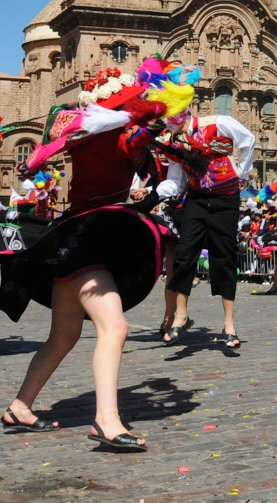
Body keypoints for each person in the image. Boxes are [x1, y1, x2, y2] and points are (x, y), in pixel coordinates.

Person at [1, 65, 188, 451]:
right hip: (89, 241)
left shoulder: (86, 137)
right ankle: (105, 421)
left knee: (63, 336)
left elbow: (140, 154)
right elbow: (138, 147)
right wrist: (161, 114)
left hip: (74, 239)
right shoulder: (115, 138)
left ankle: (20, 406)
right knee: (114, 327)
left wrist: (155, 119)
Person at [156, 104, 254, 349]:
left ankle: (229, 324)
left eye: (169, 115)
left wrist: (241, 172)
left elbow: (247, 139)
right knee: (183, 254)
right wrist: (150, 193)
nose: (166, 121)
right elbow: (175, 183)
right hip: (197, 199)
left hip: (225, 199)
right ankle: (181, 315)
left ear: (184, 111)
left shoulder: (218, 122)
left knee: (224, 258)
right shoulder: (174, 144)